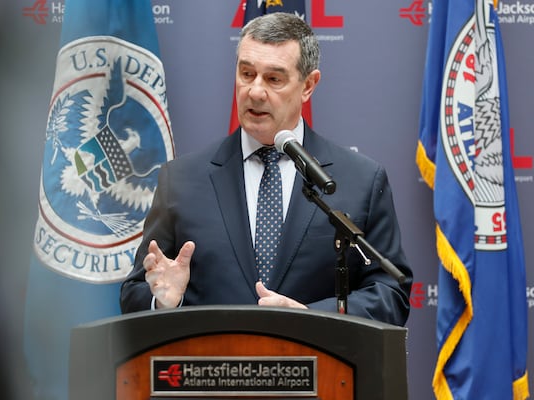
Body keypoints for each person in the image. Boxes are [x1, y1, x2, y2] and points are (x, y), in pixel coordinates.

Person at [120, 12, 412, 326]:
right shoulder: (181, 180)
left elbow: (390, 292)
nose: (256, 92)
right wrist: (165, 302)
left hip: (319, 368)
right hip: (212, 368)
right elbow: (135, 291)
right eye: (247, 73)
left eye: (274, 79)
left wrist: (311, 317)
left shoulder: (359, 181)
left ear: (308, 86)